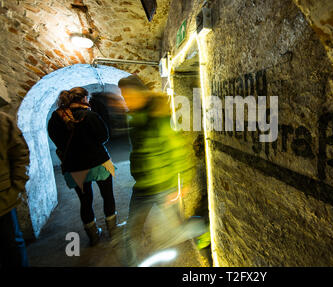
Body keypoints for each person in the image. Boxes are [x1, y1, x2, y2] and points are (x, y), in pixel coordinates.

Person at [118, 75, 203, 266]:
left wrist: (185, 181)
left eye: (127, 95)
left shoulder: (159, 115)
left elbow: (178, 149)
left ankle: (201, 225)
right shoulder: (135, 116)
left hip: (163, 185)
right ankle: (131, 264)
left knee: (173, 233)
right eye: (123, 96)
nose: (126, 100)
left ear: (139, 92)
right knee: (131, 232)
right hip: (141, 186)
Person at [47, 87, 119, 246]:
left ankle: (93, 236)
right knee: (107, 196)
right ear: (83, 99)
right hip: (98, 163)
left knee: (85, 201)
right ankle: (113, 232)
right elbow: (104, 137)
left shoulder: (55, 119)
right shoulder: (90, 115)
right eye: (87, 99)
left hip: (74, 167)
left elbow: (56, 141)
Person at [0, 110, 30, 267]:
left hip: (2, 200)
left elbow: (20, 154)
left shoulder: (2, 120)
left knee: (11, 247)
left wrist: (15, 187)